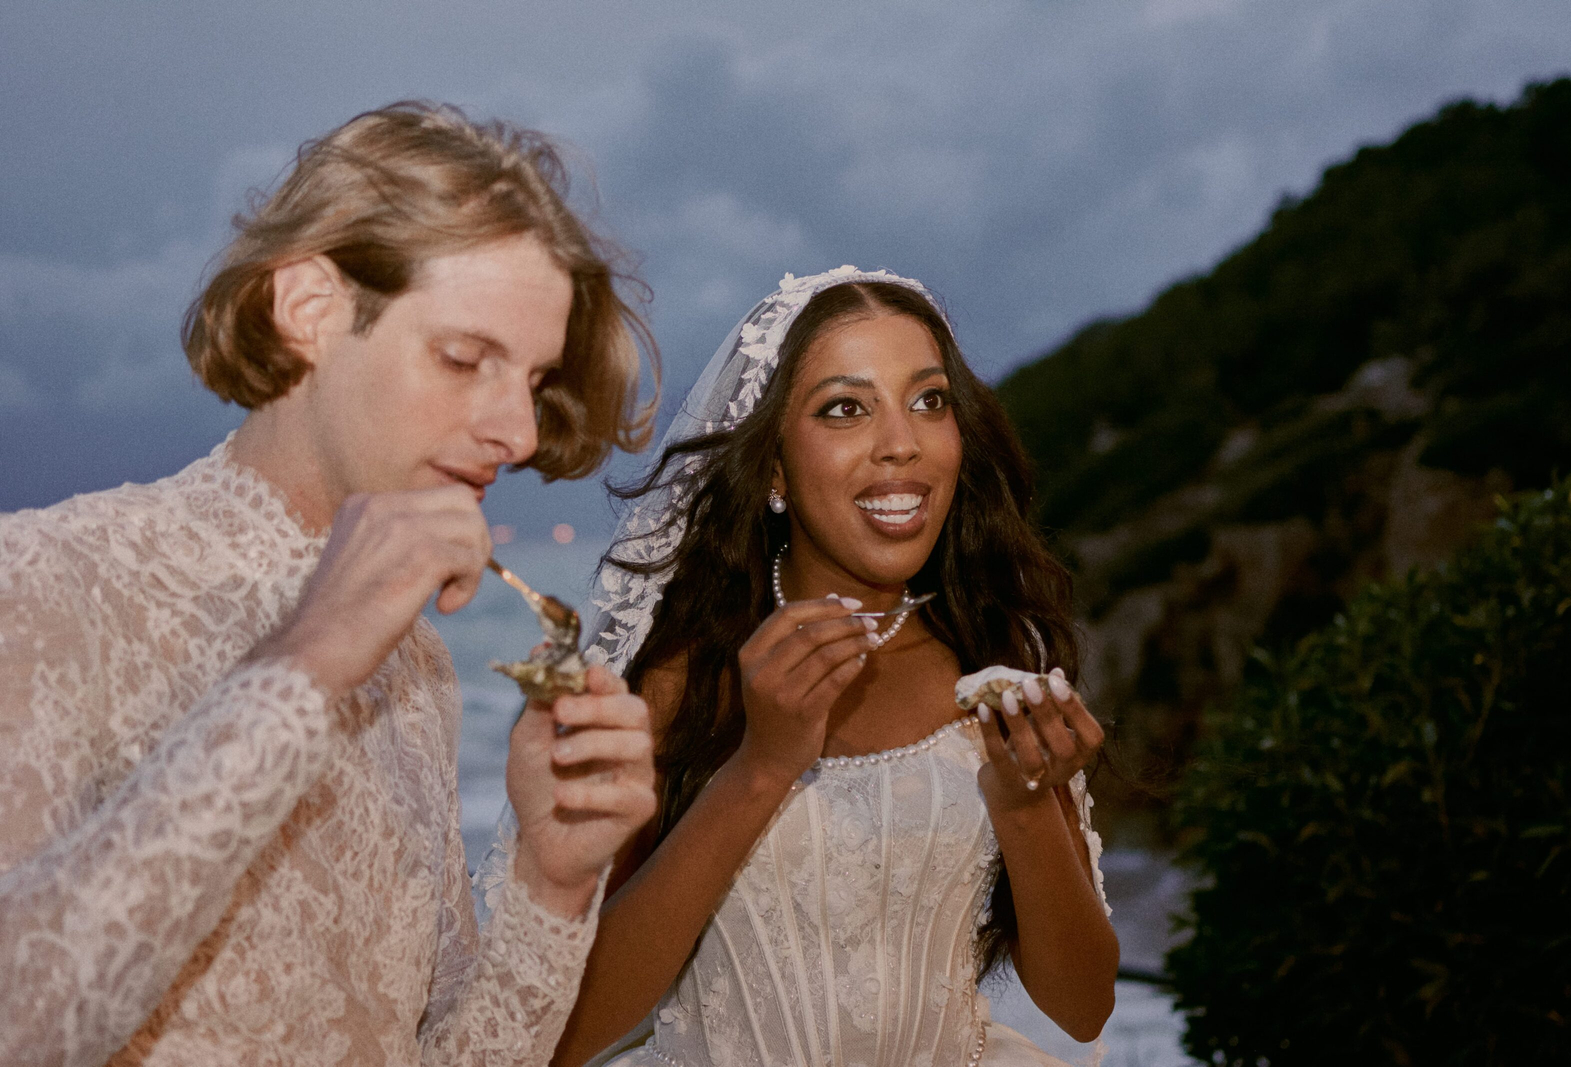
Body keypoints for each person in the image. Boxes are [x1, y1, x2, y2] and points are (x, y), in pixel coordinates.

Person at [0, 102, 660, 1066]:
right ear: (309, 308)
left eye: (532, 379)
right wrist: (304, 669)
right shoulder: (50, 582)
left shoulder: (418, 667)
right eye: (465, 357)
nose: (519, 433)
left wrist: (551, 884)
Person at [479, 265, 1120, 1067]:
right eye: (845, 408)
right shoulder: (680, 679)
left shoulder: (997, 658)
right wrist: (762, 765)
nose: (902, 442)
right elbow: (562, 1036)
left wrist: (1025, 805)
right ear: (775, 467)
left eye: (929, 400)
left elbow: (1083, 1005)